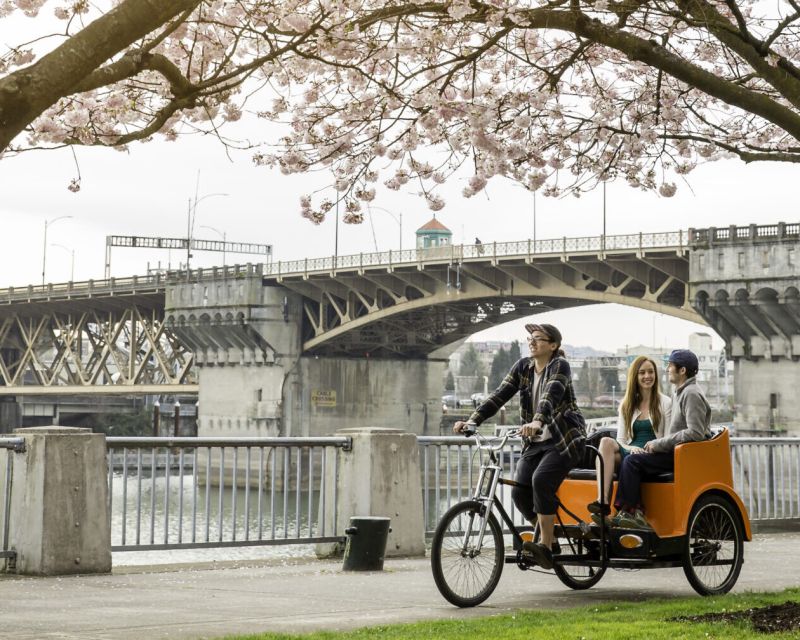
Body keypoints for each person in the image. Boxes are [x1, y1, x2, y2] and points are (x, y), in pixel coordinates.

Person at [453, 323, 586, 570]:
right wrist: (473, 420)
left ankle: (545, 545)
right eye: (530, 338)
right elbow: (499, 395)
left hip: (563, 440)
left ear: (553, 345)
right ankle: (551, 536)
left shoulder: (560, 365)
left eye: (538, 338)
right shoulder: (523, 367)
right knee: (519, 493)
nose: (532, 342)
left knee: (541, 480)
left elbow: (550, 395)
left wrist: (538, 420)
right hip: (535, 443)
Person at [611, 349, 712, 529]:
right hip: (675, 452)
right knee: (631, 459)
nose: (667, 369)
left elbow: (696, 432)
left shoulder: (690, 394)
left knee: (632, 461)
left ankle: (631, 512)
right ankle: (631, 512)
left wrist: (658, 444)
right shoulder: (680, 392)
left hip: (681, 455)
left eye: (670, 366)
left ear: (682, 370)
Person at [586, 356, 672, 526]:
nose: (647, 376)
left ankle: (628, 511)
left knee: (630, 461)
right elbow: (621, 439)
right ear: (635, 376)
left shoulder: (666, 402)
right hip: (632, 451)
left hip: (654, 453)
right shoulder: (627, 404)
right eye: (642, 373)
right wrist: (632, 448)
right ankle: (602, 504)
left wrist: (650, 448)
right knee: (605, 443)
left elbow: (668, 438)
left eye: (650, 372)